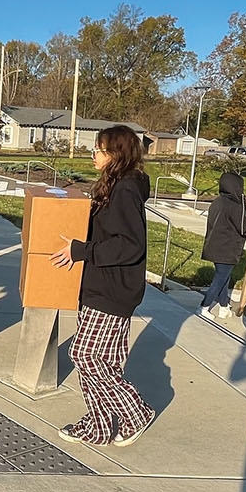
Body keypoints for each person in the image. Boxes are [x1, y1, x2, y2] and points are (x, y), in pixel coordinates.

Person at [49, 126, 155, 447]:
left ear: (116, 155)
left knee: (84, 355)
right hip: (100, 284)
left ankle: (135, 411)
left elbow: (129, 245)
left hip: (113, 289)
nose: (93, 154)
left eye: (99, 150)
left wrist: (82, 250)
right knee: (102, 359)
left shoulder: (125, 190)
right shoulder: (115, 185)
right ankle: (98, 423)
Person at [199, 170, 246, 318]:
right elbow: (244, 228)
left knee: (224, 278)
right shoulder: (236, 204)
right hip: (228, 248)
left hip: (214, 246)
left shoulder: (218, 201)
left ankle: (224, 306)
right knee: (219, 280)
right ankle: (204, 307)